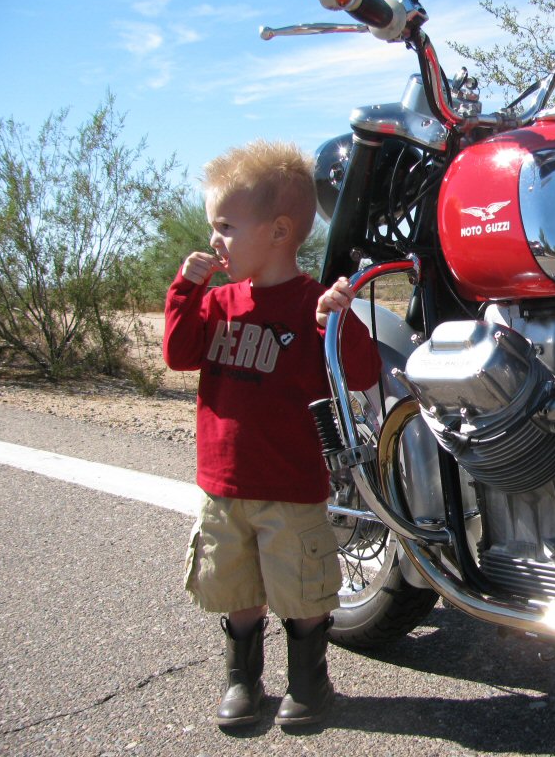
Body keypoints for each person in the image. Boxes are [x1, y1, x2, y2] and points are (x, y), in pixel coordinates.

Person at [163, 139, 381, 729]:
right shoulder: (218, 303)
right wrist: (185, 292)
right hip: (223, 486)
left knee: (303, 593)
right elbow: (180, 355)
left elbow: (361, 374)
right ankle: (243, 682)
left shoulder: (311, 304)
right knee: (236, 589)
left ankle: (310, 683)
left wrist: (339, 319)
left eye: (227, 226)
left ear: (280, 231)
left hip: (290, 487)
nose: (215, 240)